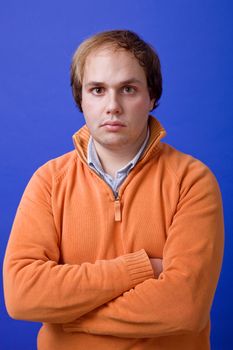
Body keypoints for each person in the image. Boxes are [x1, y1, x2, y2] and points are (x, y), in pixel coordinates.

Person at [3, 30, 224, 350]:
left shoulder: (192, 180)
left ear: (152, 97)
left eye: (128, 89)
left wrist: (64, 315)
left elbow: (184, 307)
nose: (112, 105)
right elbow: (22, 296)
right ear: (81, 98)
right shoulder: (49, 181)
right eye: (97, 90)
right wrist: (142, 268)